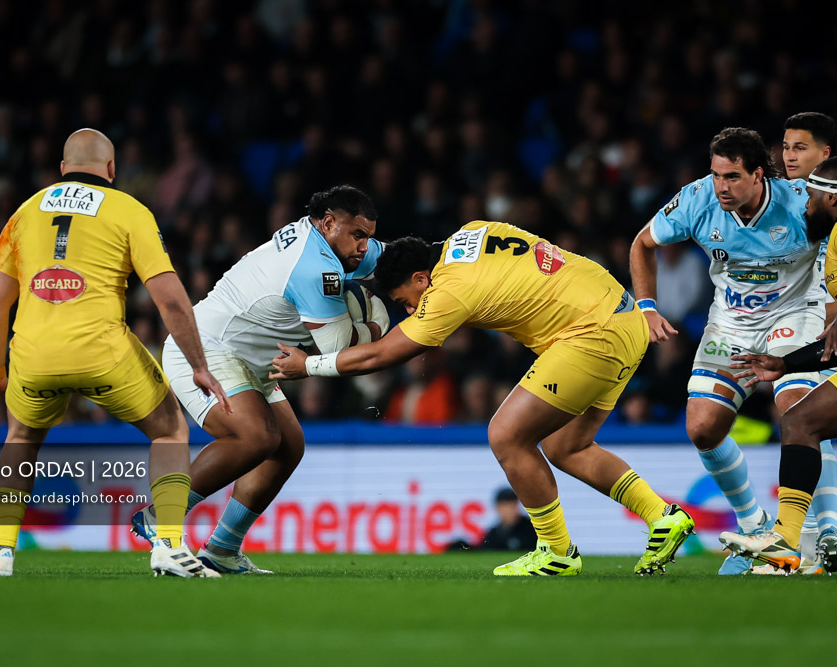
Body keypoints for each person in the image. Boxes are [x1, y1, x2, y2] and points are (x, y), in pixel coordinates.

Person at [271, 221, 695, 577]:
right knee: (567, 446)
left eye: (404, 301)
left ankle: (556, 552)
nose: (409, 310)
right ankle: (663, 517)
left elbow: (381, 355)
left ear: (420, 279)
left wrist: (308, 365)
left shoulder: (447, 292)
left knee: (506, 435)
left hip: (590, 332)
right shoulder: (470, 231)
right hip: (624, 318)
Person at [0, 128, 229, 579]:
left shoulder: (25, 211)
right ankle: (169, 547)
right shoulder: (129, 210)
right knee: (170, 431)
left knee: (21, 438)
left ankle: (0, 554)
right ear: (111, 169)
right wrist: (199, 366)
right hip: (103, 353)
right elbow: (171, 300)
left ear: (62, 170)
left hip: (33, 356)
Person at [130, 185, 387, 574]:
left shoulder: (332, 241)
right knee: (257, 437)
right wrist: (376, 326)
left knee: (288, 446)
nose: (364, 247)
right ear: (328, 223)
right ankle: (159, 516)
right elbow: (337, 349)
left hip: (247, 359)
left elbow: (391, 257)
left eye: (368, 237)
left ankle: (222, 549)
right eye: (357, 236)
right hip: (205, 350)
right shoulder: (313, 267)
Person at [629, 127, 830, 575]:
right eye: (717, 174)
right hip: (732, 324)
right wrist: (647, 307)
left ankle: (810, 536)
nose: (721, 186)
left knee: (798, 413)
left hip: (795, 314)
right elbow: (642, 243)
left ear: (758, 175)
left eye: (732, 177)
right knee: (702, 428)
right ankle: (754, 527)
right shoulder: (697, 199)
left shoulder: (800, 201)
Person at [720, 157, 837, 574]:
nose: (804, 204)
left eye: (811, 197)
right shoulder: (832, 241)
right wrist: (784, 364)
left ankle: (799, 536)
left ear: (832, 199)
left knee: (801, 421)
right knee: (801, 421)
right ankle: (785, 540)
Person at [481, 487, 537, 552]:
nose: (510, 510)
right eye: (506, 505)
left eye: (513, 505)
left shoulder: (532, 529)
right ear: (498, 507)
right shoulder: (493, 534)